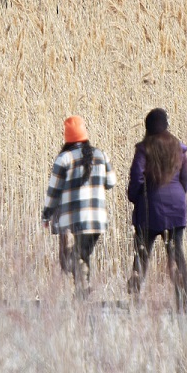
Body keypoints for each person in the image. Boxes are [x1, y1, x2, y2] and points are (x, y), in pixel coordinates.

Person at [41, 115, 116, 297]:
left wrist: (46, 215)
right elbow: (111, 182)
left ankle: (82, 287)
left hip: (74, 218)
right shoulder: (101, 155)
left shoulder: (64, 159)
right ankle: (83, 290)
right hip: (97, 219)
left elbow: (54, 191)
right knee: (83, 254)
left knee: (73, 257)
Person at [126, 108, 187, 312]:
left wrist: (136, 197)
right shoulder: (178, 149)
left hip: (150, 208)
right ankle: (183, 301)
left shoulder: (144, 149)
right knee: (176, 253)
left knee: (142, 253)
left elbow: (136, 178)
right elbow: (186, 181)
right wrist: (177, 195)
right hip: (176, 208)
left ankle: (135, 298)